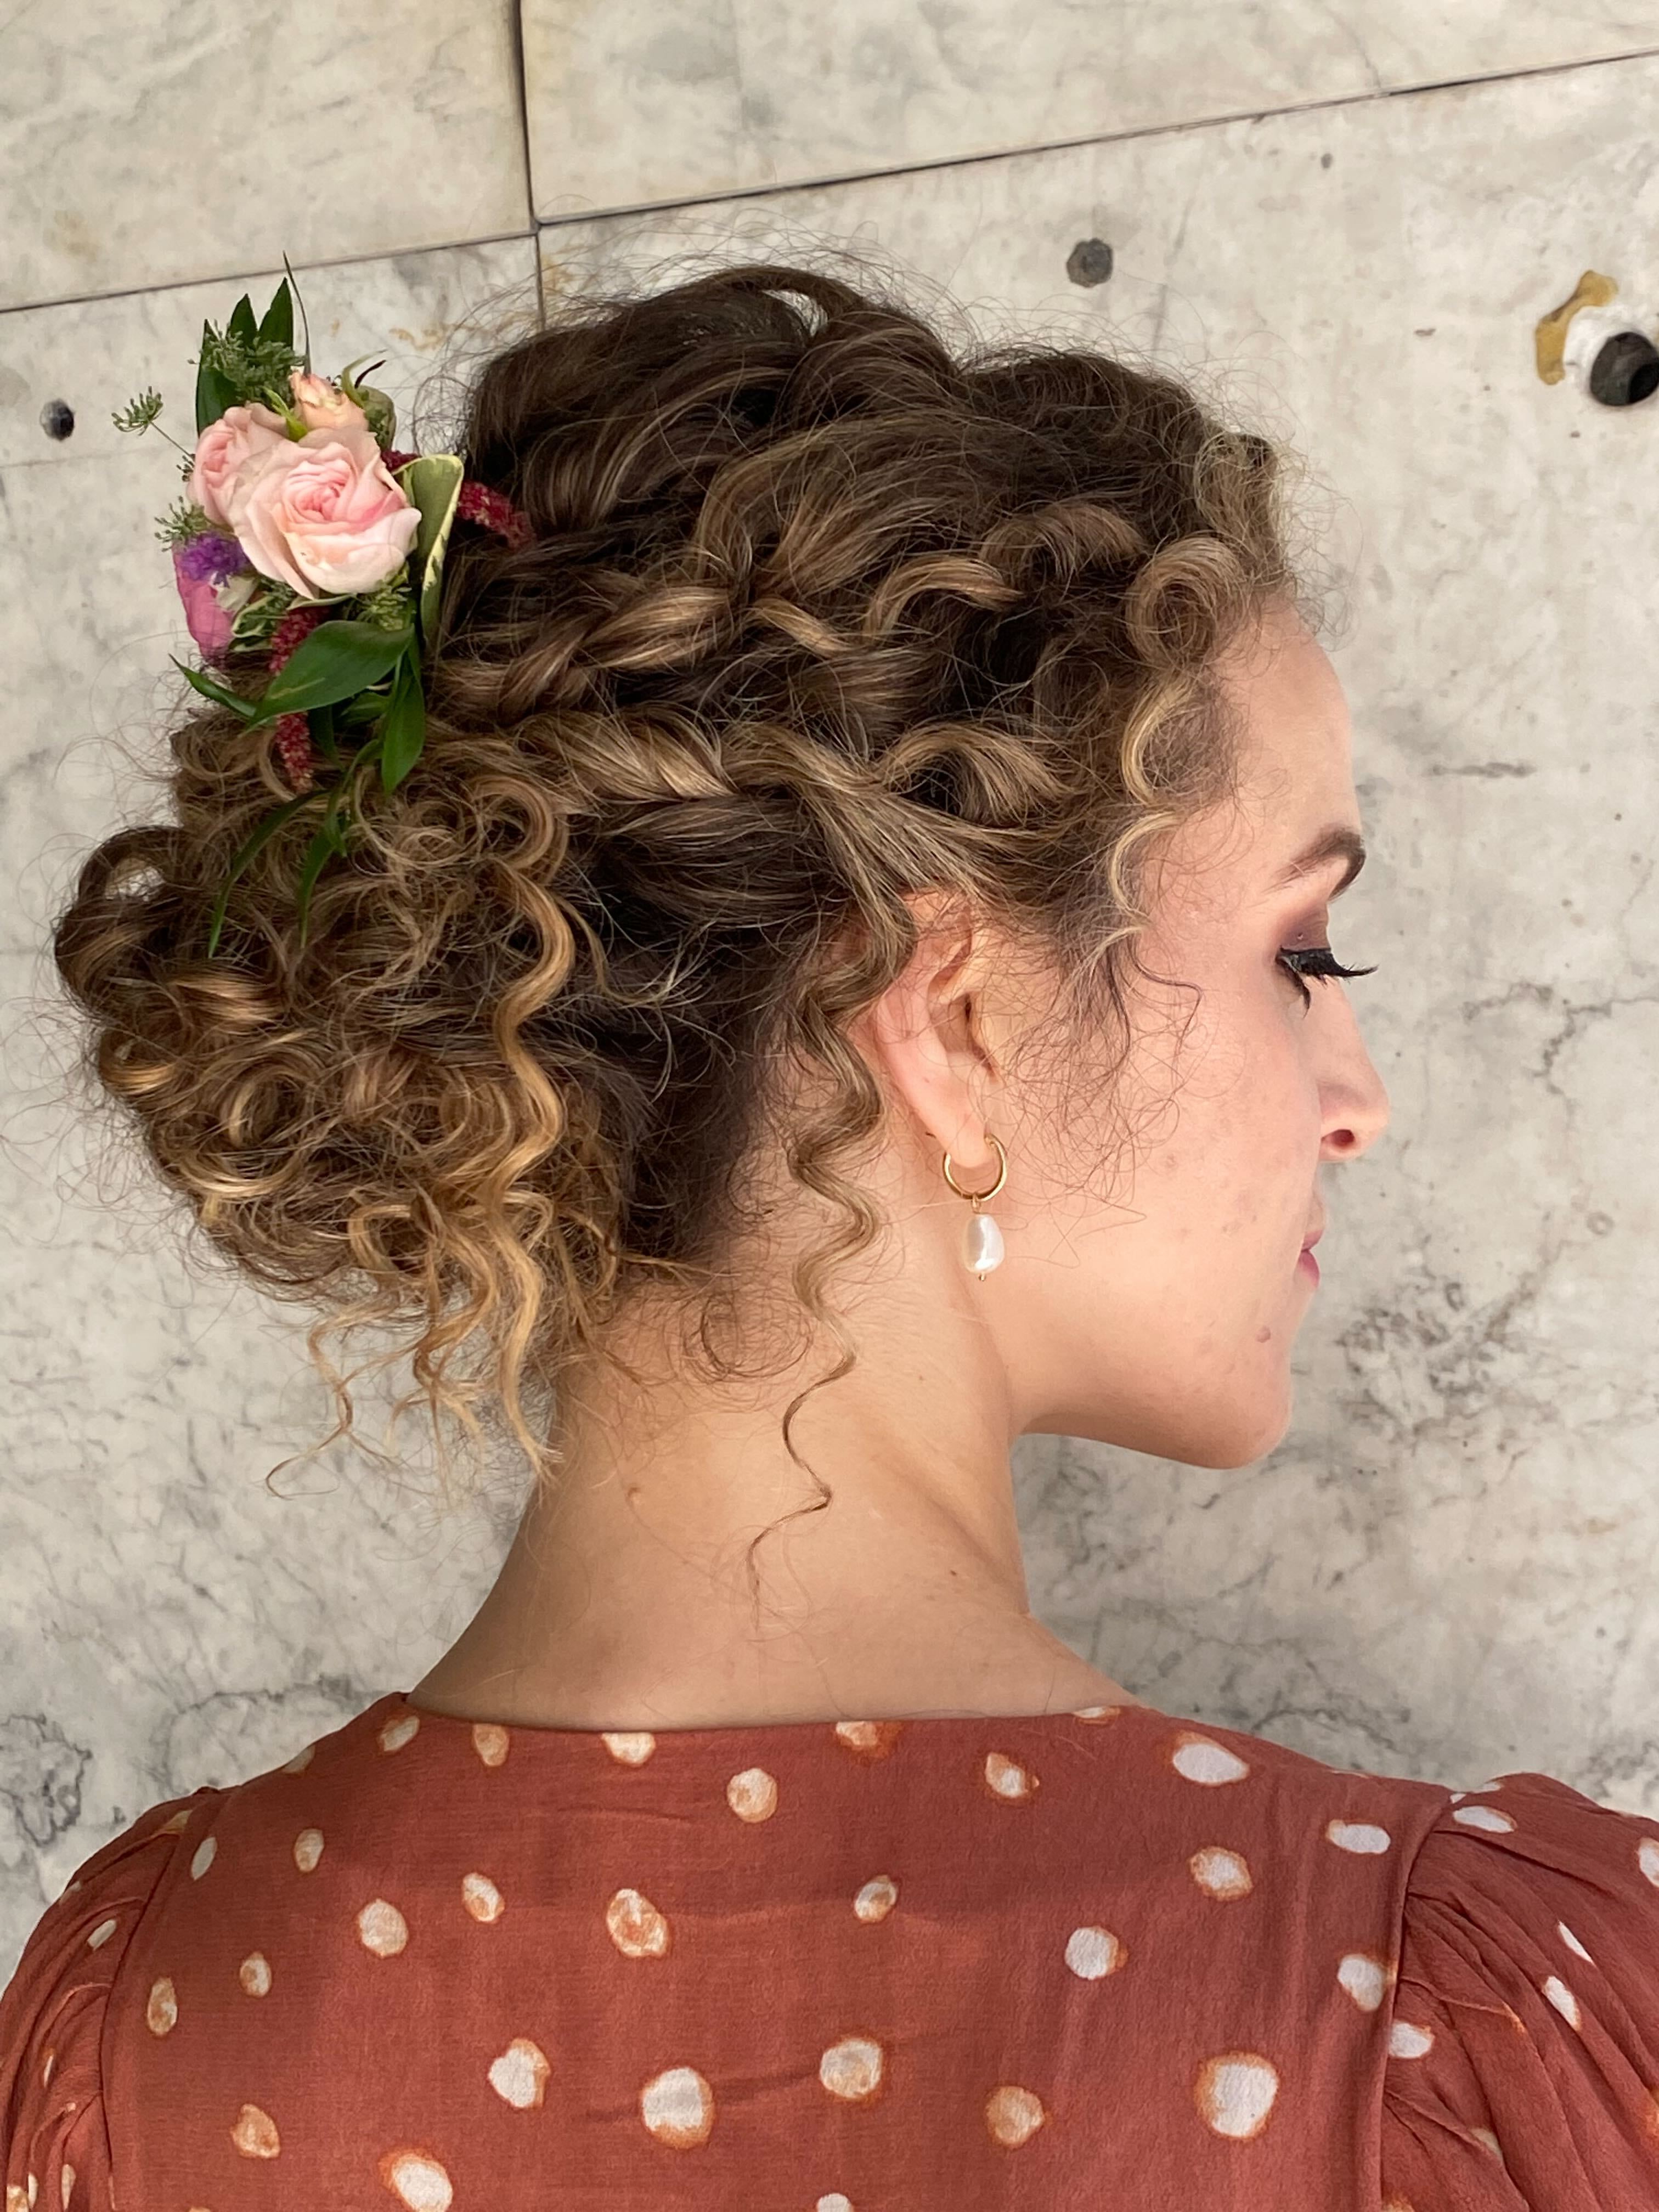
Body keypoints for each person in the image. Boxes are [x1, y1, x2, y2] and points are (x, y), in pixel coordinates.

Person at [3, 263, 1656, 2211]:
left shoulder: (135, 2027)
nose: (1359, 1095)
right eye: (1307, 953)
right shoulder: (1446, 2029)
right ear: (948, 1026)